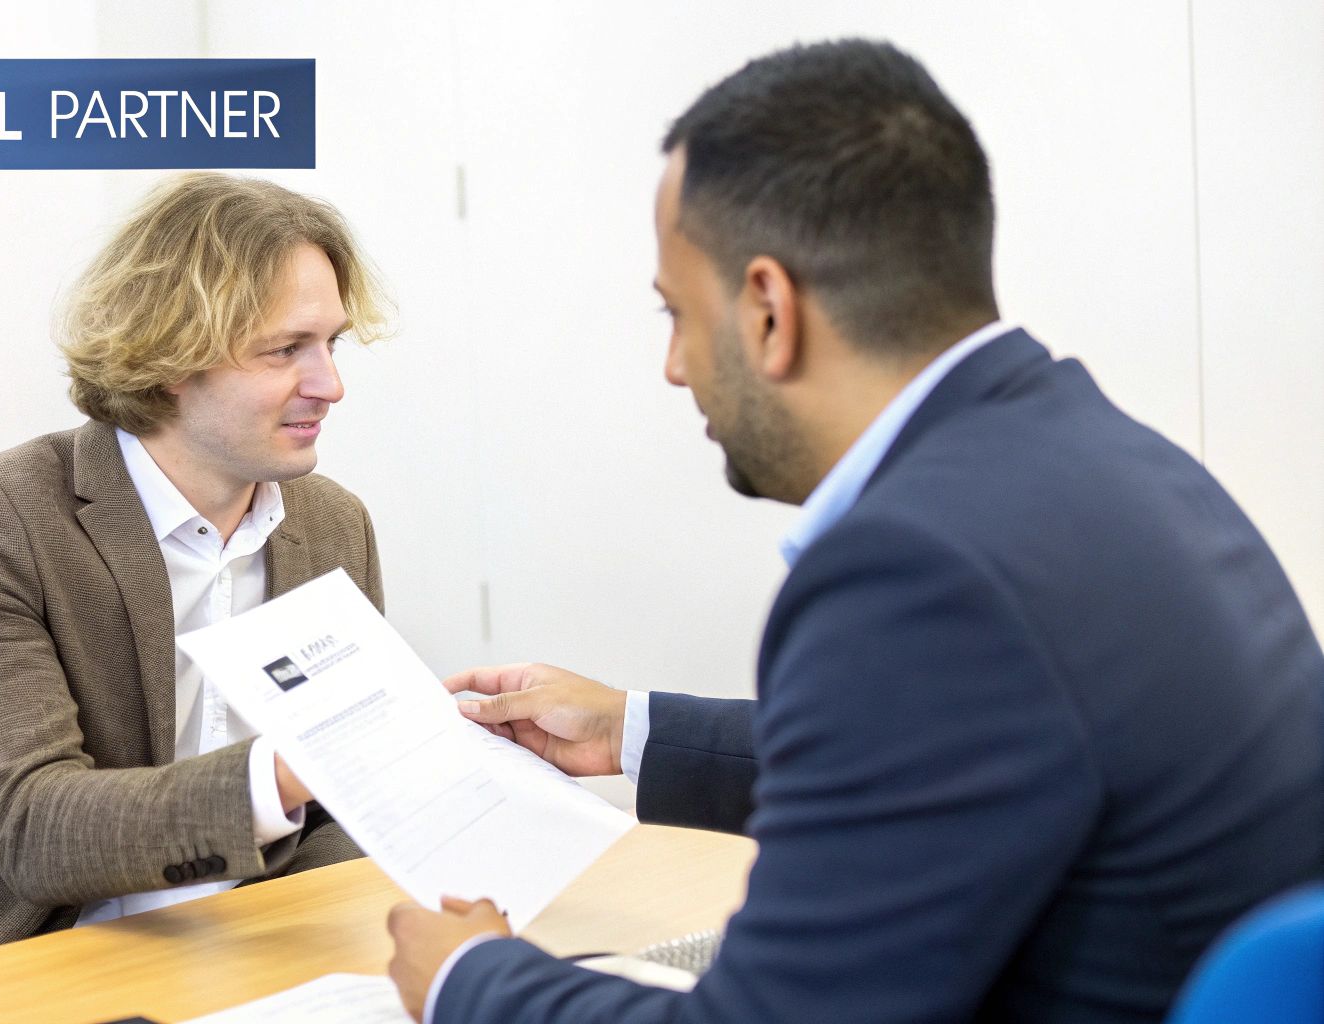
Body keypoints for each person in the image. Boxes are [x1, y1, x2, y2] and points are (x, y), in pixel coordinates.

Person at [386, 38, 1324, 1023]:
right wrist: (628, 729)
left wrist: (470, 979)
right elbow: (940, 756)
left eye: (677, 315)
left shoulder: (916, 567)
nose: (672, 367)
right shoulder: (1101, 457)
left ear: (766, 311)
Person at [0, 172, 391, 984]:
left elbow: (335, 812)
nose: (330, 384)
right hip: (28, 950)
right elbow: (33, 829)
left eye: (331, 343)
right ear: (171, 357)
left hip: (250, 943)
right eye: (285, 349)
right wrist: (283, 776)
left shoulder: (334, 525)